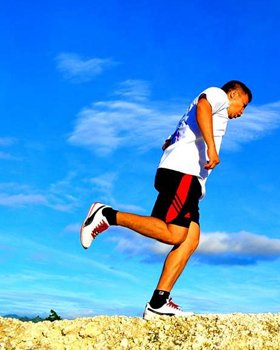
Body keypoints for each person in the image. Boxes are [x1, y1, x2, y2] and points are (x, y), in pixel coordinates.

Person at [79, 80, 252, 319]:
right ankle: (107, 215)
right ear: (232, 94)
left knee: (190, 239)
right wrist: (212, 148)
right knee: (175, 234)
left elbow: (180, 133)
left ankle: (158, 303)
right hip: (183, 174)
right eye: (242, 105)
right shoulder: (217, 95)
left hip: (188, 178)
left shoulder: (212, 108)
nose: (241, 113)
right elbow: (203, 106)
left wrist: (170, 142)